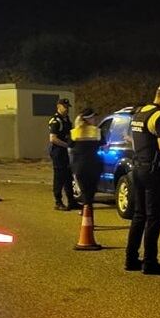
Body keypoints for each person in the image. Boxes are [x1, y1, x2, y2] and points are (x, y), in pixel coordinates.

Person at [125, 84, 160, 275]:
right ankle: (150, 263)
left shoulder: (140, 112)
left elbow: (132, 141)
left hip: (138, 169)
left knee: (139, 216)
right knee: (153, 218)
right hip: (153, 173)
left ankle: (131, 259)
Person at [69, 108, 104, 249]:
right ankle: (88, 221)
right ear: (86, 119)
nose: (95, 120)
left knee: (85, 194)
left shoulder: (74, 132)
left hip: (79, 167)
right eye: (93, 118)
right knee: (90, 193)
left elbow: (69, 145)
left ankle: (87, 218)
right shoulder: (96, 132)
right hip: (93, 166)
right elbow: (103, 143)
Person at [48, 98, 80, 211]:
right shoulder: (55, 121)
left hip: (66, 152)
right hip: (58, 152)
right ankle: (58, 202)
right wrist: (67, 145)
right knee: (59, 177)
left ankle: (71, 201)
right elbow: (53, 139)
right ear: (58, 106)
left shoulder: (66, 119)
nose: (66, 109)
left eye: (67, 107)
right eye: (64, 107)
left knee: (68, 176)